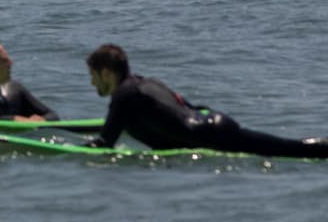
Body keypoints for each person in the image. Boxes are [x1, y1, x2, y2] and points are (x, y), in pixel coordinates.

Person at [85, 44, 328, 158]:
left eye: (93, 76)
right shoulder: (146, 83)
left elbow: (106, 142)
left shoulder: (123, 95)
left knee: (293, 151)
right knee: (289, 148)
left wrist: (66, 156)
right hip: (213, 123)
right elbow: (183, 108)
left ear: (106, 72)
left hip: (211, 136)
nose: (93, 83)